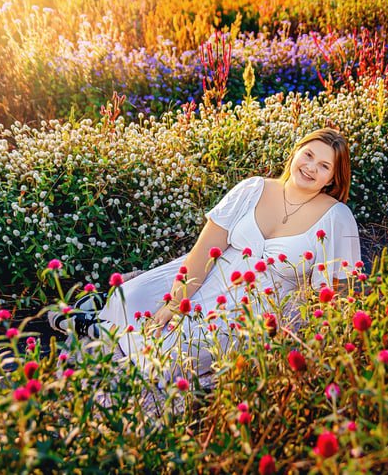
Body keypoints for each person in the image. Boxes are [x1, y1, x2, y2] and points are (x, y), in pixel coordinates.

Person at [50, 128, 361, 380]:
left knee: (172, 356)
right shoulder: (253, 189)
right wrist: (176, 302)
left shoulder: (337, 217)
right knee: (129, 298)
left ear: (333, 178)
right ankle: (105, 313)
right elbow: (205, 248)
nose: (311, 167)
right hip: (212, 273)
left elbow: (338, 292)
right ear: (296, 152)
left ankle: (97, 327)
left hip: (256, 307)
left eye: (324, 166)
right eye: (308, 155)